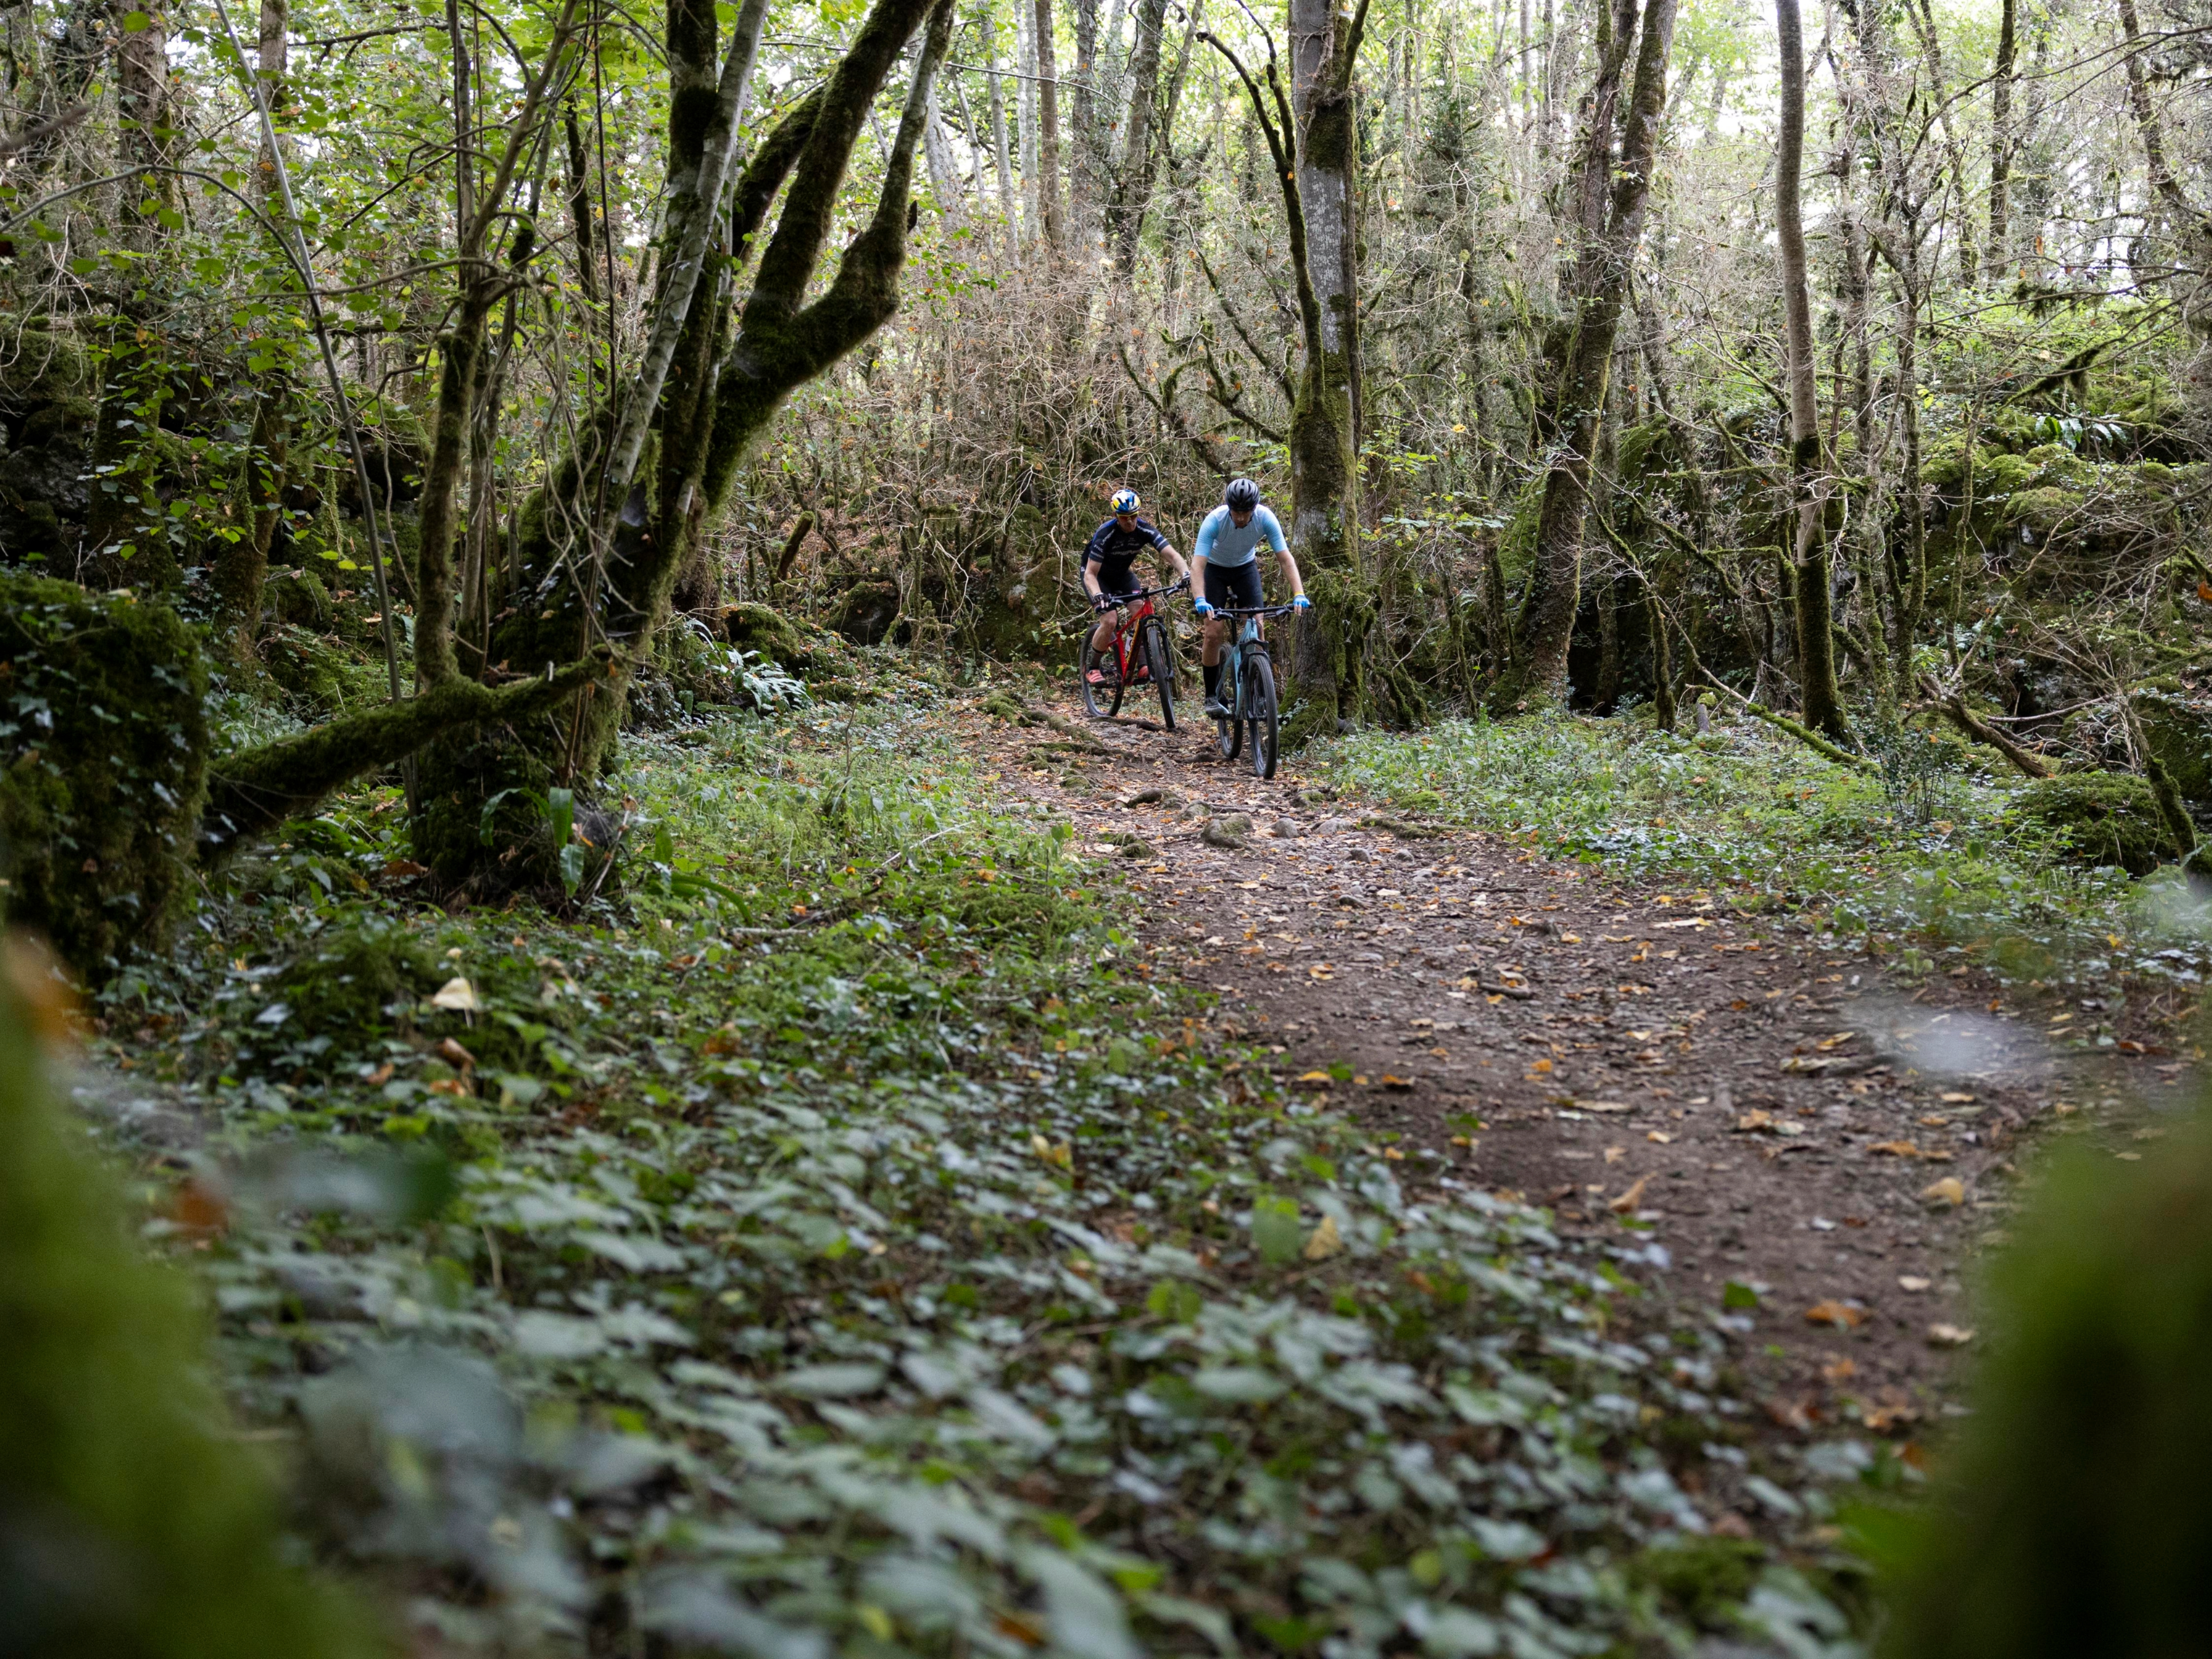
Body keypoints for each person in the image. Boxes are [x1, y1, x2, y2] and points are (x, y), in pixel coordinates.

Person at [1190, 477, 1308, 717]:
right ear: (1229, 508)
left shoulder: (1266, 518)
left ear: (1254, 509)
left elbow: (1286, 559)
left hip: (1245, 569)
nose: (1242, 518)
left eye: (1246, 512)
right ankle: (1211, 694)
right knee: (1213, 632)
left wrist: (1299, 593)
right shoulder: (1215, 521)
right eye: (1237, 512)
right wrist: (1200, 599)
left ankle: (1259, 690)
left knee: (1257, 625)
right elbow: (1197, 566)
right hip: (1215, 570)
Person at [1080, 488, 1189, 685]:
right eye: (1124, 518)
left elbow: (1172, 555)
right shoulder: (1106, 534)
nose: (1130, 522)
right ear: (1116, 516)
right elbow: (1090, 574)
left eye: (1134, 516)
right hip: (1098, 577)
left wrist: (1186, 574)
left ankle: (1142, 665)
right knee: (1110, 620)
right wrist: (1098, 595)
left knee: (1141, 612)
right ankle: (1093, 668)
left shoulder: (1144, 529)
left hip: (1122, 575)